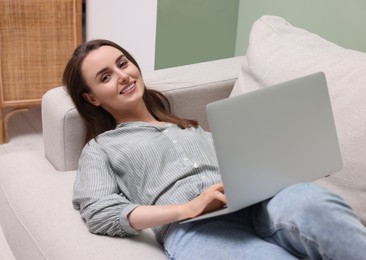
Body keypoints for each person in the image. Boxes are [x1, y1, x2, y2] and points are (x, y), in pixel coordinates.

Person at [63, 39, 366, 259]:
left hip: (256, 204)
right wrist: (188, 208)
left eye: (122, 63)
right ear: (92, 99)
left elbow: (248, 165)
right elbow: (100, 212)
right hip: (194, 229)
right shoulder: (101, 148)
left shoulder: (192, 127)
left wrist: (298, 161)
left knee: (313, 201)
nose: (123, 76)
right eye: (105, 77)